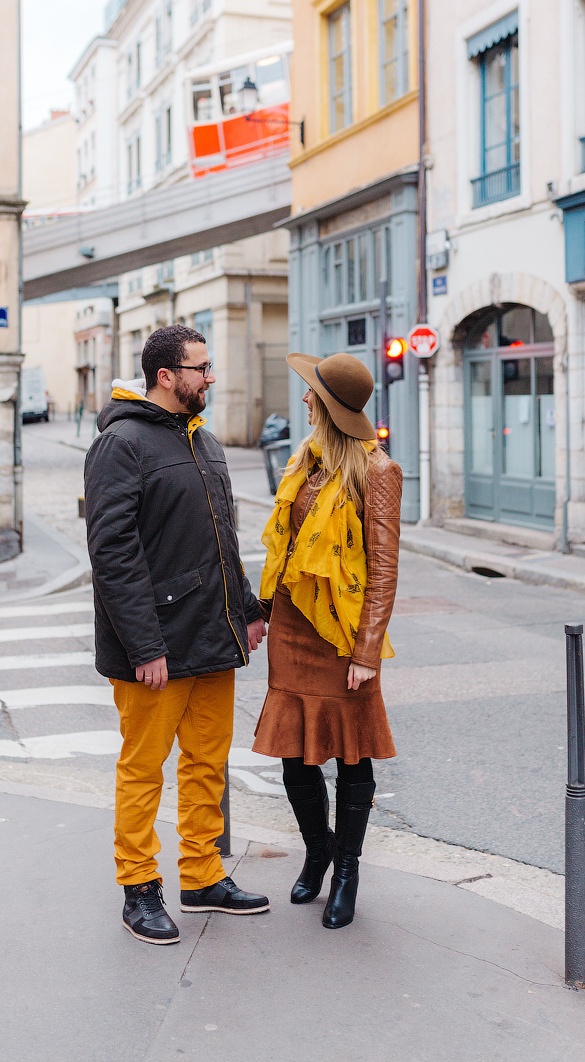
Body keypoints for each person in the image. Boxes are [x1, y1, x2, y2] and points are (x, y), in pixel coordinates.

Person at [85, 324, 270, 947]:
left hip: (212, 638)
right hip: (155, 647)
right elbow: (112, 553)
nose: (210, 377)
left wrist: (246, 608)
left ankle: (203, 876)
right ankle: (139, 889)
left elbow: (224, 541)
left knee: (207, 764)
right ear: (167, 376)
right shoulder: (121, 445)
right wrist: (144, 646)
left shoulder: (204, 441)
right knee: (144, 770)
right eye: (201, 367)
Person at [253, 351, 402, 929]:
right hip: (294, 628)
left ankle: (346, 869)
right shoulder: (303, 462)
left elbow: (384, 569)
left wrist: (368, 652)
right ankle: (317, 849)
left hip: (344, 635)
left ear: (330, 406)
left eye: (312, 392)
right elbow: (285, 548)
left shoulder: (376, 472)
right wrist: (261, 609)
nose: (305, 398)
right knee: (295, 755)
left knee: (353, 756)